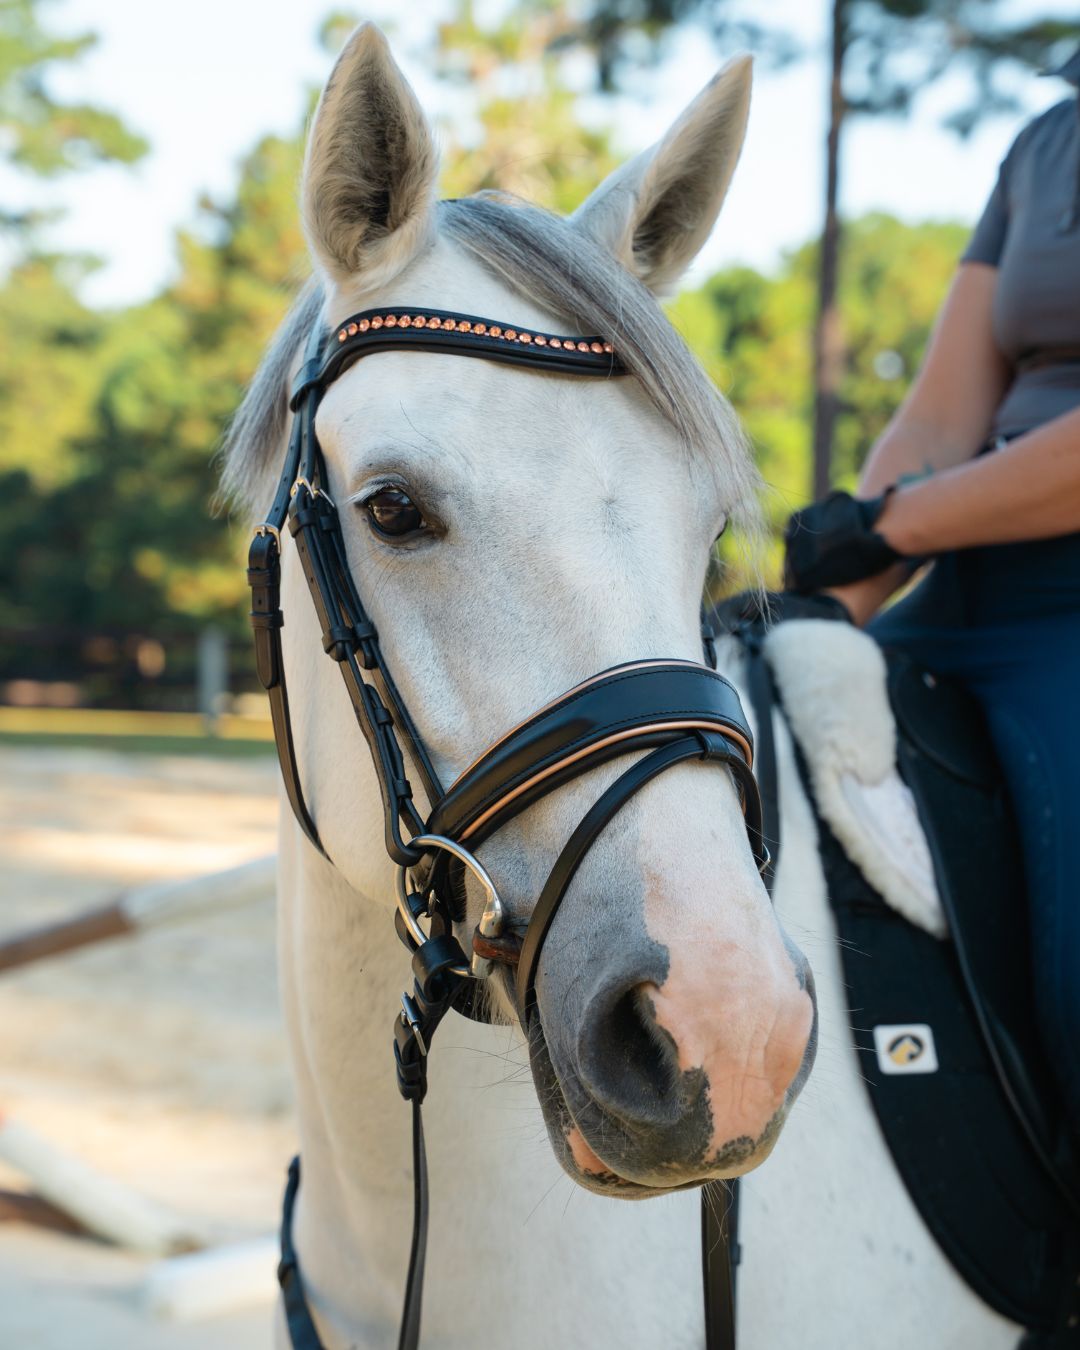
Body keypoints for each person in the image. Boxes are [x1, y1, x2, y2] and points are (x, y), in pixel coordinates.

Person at [784, 46, 1080, 1138]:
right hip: (966, 580)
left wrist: (893, 526)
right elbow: (942, 417)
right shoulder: (1045, 145)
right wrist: (828, 610)